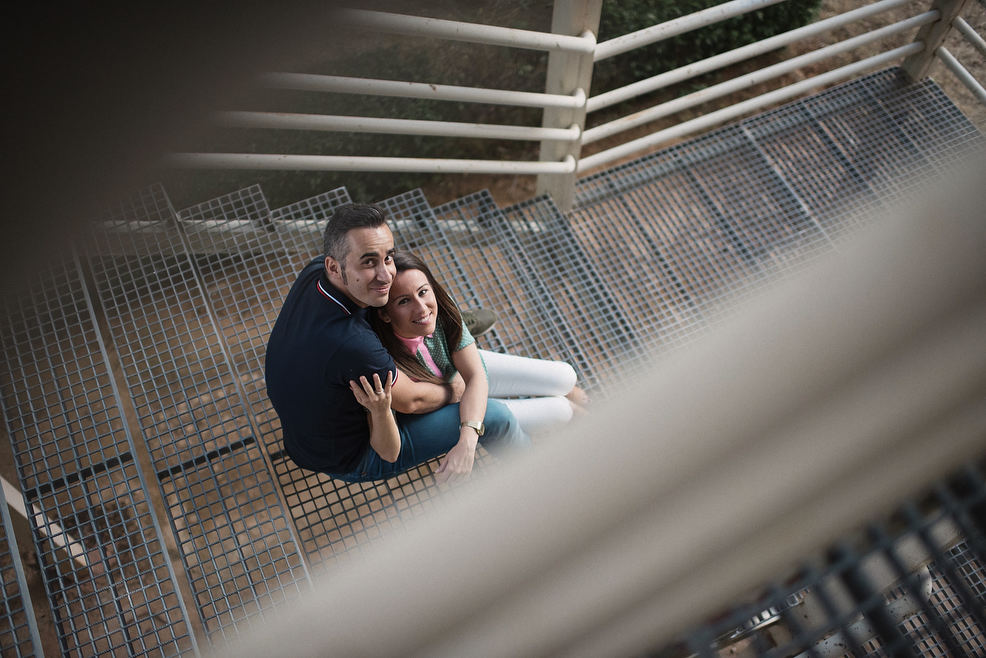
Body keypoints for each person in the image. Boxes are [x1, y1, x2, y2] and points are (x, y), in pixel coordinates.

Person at [265, 203, 529, 484]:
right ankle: (542, 475)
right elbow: (412, 401)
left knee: (395, 288)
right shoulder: (357, 346)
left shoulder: (315, 271)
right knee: (496, 415)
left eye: (387, 257)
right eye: (368, 262)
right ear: (334, 265)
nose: (384, 274)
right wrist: (455, 389)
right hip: (357, 455)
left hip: (306, 417)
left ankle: (440, 324)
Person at [368, 251, 588, 437]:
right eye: (404, 301)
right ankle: (566, 406)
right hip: (445, 408)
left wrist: (466, 380)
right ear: (385, 314)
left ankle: (563, 392)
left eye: (423, 292)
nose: (422, 308)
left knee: (565, 376)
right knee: (561, 411)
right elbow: (414, 403)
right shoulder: (381, 356)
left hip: (457, 370)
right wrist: (457, 394)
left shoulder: (443, 308)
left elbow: (474, 376)